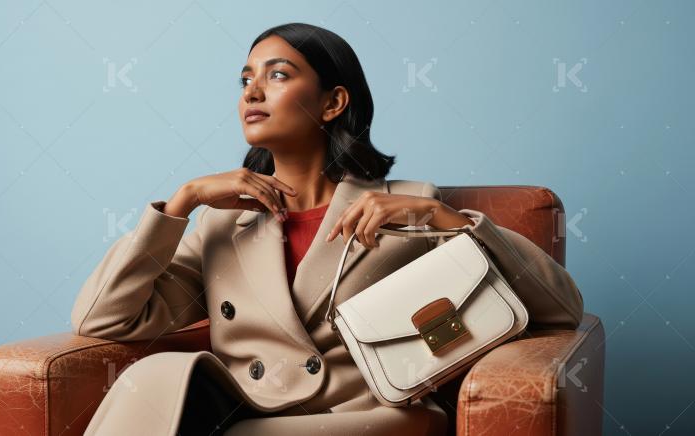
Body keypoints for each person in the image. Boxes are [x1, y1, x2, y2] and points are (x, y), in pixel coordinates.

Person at [71, 22, 584, 436]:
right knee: (154, 376)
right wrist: (181, 204)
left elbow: (560, 307)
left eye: (277, 75)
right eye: (245, 79)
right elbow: (103, 318)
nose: (252, 91)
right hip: (250, 410)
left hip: (364, 418)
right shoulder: (223, 223)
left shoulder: (408, 205)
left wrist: (445, 220)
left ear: (333, 102)